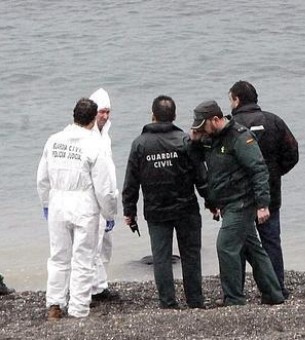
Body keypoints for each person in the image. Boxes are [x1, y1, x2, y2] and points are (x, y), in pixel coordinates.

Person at [190, 100, 284, 306]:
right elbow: (195, 157)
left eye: (202, 126)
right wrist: (194, 139)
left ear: (215, 120)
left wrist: (262, 204)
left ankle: (234, 299)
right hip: (226, 202)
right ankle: (274, 294)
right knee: (253, 250)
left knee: (225, 246)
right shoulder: (211, 138)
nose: (201, 130)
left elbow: (259, 170)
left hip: (241, 202)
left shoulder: (240, 137)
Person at [122, 95, 207, 309]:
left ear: (152, 116)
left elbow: (131, 181)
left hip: (156, 210)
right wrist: (212, 201)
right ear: (174, 116)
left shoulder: (140, 144)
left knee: (161, 257)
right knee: (191, 255)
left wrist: (129, 211)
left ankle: (168, 303)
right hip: (186, 207)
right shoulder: (184, 141)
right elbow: (201, 175)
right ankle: (195, 301)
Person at [37, 98, 117, 320]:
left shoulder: (53, 141)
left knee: (58, 256)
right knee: (83, 258)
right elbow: (104, 186)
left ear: (73, 116)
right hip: (84, 205)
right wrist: (109, 213)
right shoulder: (94, 145)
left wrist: (46, 203)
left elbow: (42, 178)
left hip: (58, 203)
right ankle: (78, 308)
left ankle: (54, 302)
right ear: (93, 119)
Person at [228, 80, 299, 299]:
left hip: (238, 196)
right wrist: (275, 173)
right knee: (270, 242)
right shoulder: (274, 121)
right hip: (270, 194)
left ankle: (236, 293)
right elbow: (292, 152)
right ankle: (276, 287)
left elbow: (220, 162)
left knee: (237, 244)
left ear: (237, 100)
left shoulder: (231, 126)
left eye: (230, 99)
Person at [89, 88, 119, 302]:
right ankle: (94, 288)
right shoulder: (86, 137)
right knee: (92, 245)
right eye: (102, 112)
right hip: (92, 201)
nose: (105, 116)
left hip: (107, 199)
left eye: (108, 112)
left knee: (105, 245)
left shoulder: (105, 135)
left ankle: (101, 283)